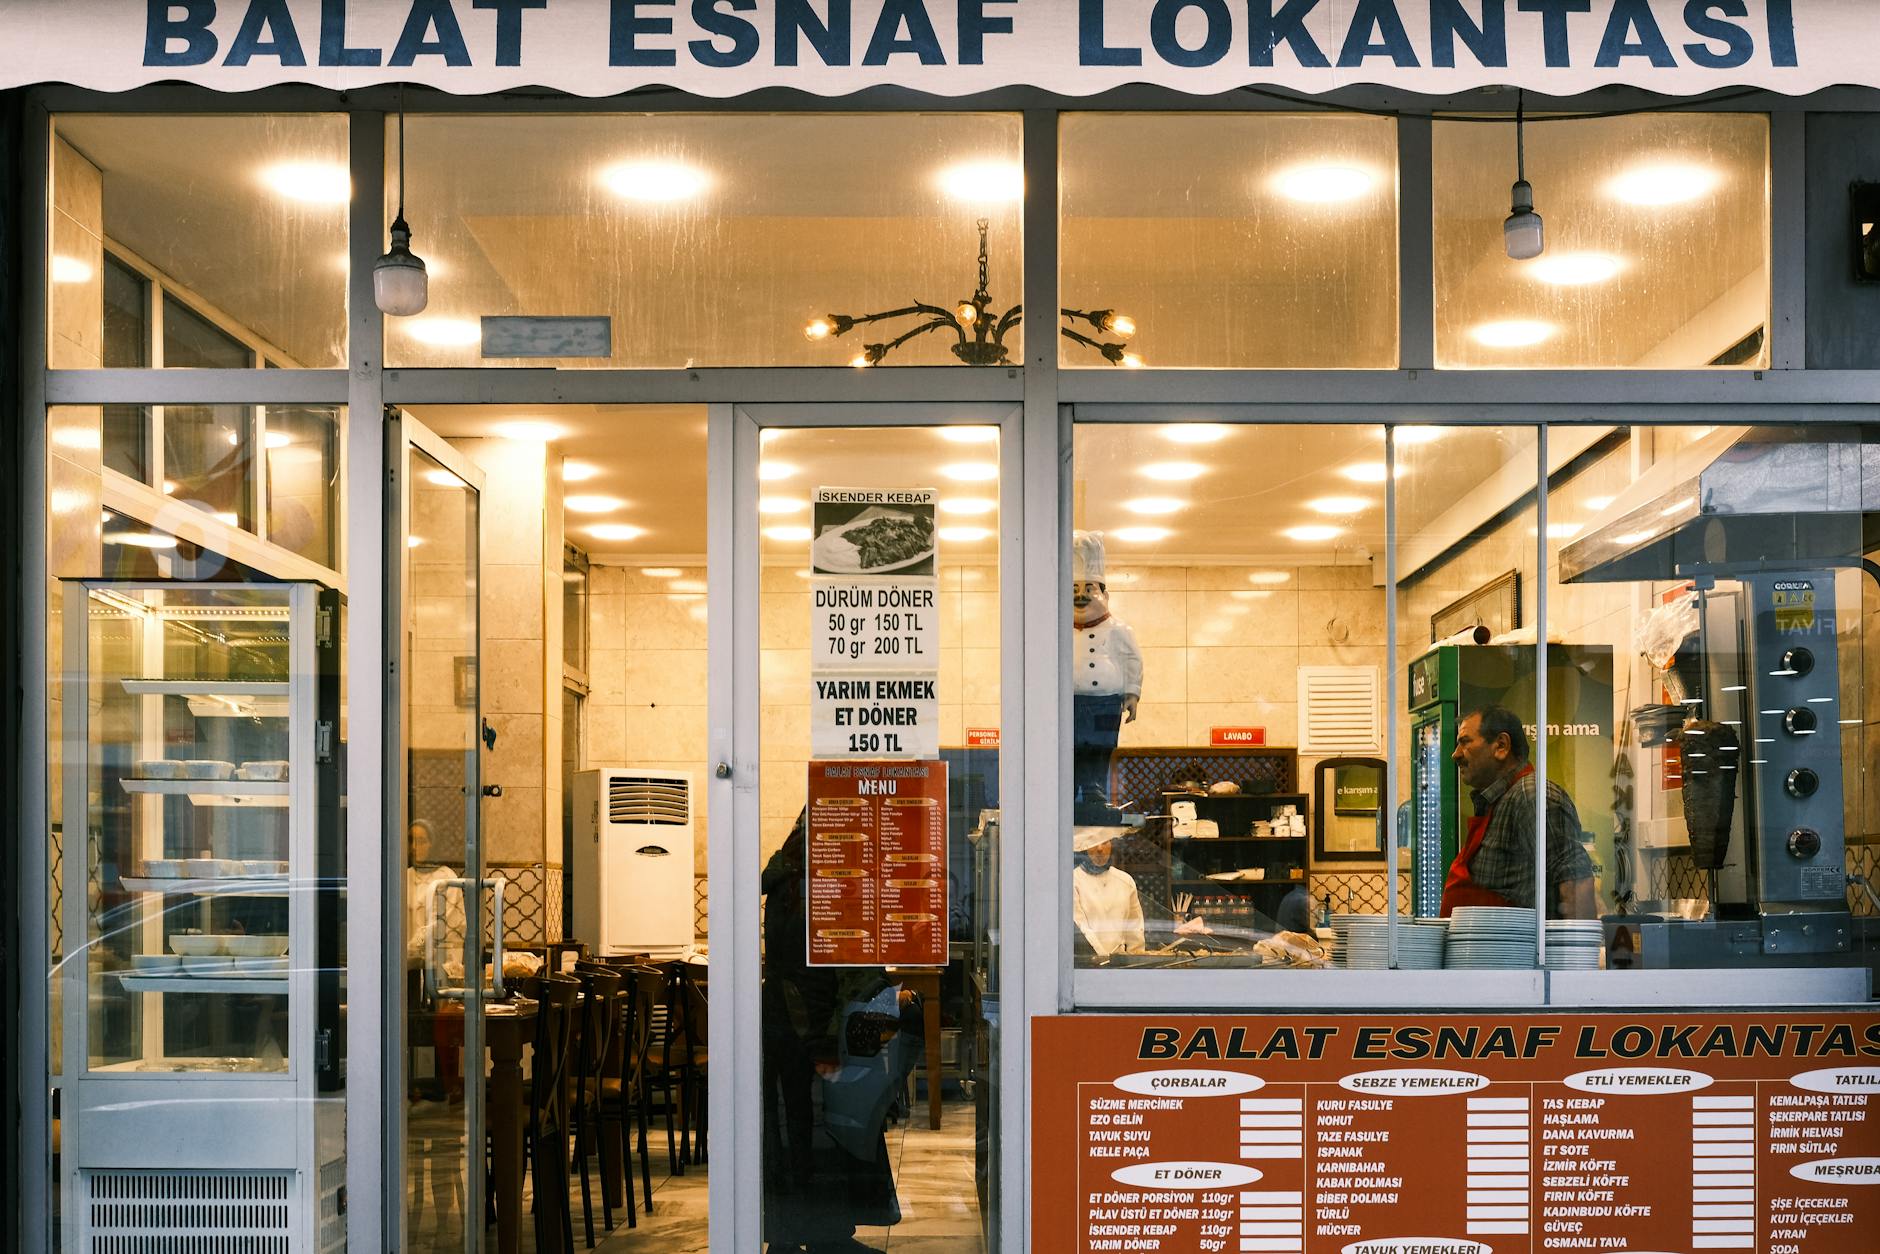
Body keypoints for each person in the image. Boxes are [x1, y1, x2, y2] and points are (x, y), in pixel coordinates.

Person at [1443, 705, 1596, 920]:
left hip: (1518, 952)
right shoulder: (1500, 799)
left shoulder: (1532, 795)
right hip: (1493, 951)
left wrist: (1577, 950)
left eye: (1465, 742)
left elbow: (1576, 884)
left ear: (1501, 746)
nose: (1455, 754)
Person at [1071, 531, 1143, 806]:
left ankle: (1094, 790)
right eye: (1074, 590)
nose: (1081, 596)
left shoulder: (1118, 629)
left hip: (1106, 703)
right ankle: (1069, 789)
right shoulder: (1058, 632)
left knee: (1100, 748)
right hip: (1072, 702)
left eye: (1089, 589)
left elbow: (1132, 660)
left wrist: (1133, 694)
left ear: (1105, 595)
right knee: (1071, 748)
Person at [1072, 826, 1146, 957]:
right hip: (1088, 963)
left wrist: (1137, 961)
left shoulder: (1125, 880)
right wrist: (1103, 959)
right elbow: (1081, 928)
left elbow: (1134, 928)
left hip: (1121, 964)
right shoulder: (1073, 880)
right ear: (1084, 847)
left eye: (1105, 842)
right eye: (1094, 842)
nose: (1100, 849)